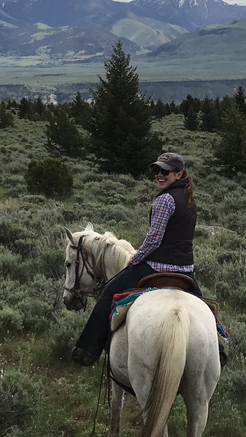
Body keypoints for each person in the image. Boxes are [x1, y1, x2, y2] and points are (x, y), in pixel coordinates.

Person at [71, 152, 202, 366]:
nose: (159, 175)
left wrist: (135, 259)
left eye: (165, 171)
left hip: (157, 267)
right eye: (157, 170)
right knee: (205, 307)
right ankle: (219, 347)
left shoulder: (165, 200)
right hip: (185, 270)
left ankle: (88, 349)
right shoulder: (189, 198)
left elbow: (154, 240)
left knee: (109, 292)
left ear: (179, 174)